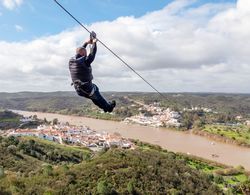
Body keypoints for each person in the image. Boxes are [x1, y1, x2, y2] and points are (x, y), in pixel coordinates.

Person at [69, 31, 116, 113]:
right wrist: (94, 43)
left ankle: (105, 107)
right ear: (83, 53)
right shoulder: (85, 61)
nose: (86, 55)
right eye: (85, 53)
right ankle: (109, 108)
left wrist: (86, 43)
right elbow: (92, 54)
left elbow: (80, 51)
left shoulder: (72, 60)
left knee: (94, 95)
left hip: (79, 89)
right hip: (86, 88)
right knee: (95, 93)